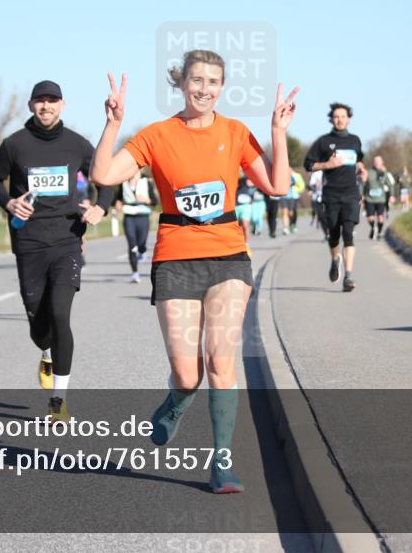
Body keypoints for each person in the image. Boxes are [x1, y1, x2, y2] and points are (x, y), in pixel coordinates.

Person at [91, 50, 297, 494]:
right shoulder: (156, 135)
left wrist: (278, 132)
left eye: (213, 82)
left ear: (222, 87)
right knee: (189, 373)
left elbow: (278, 186)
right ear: (181, 83)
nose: (204, 89)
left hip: (227, 257)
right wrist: (112, 123)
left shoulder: (236, 132)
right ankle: (178, 398)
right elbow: (104, 174)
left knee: (222, 361)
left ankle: (221, 463)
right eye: (196, 80)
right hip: (176, 259)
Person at [0, 80, 113, 422]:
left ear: (62, 105)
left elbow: (106, 177)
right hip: (28, 242)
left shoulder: (77, 145)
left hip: (67, 239)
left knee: (60, 313)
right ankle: (45, 351)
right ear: (31, 105)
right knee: (39, 324)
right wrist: (8, 202)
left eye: (52, 101)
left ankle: (59, 398)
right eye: (40, 101)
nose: (46, 107)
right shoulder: (14, 145)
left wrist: (103, 207)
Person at [304, 102, 367, 291]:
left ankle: (348, 276)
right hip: (331, 195)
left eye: (343, 116)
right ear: (331, 119)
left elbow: (359, 160)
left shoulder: (355, 140)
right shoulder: (323, 142)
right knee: (334, 234)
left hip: (351, 193)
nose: (340, 119)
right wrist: (326, 165)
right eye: (336, 116)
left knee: (348, 232)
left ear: (348, 119)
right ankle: (335, 259)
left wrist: (361, 170)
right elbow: (308, 164)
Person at [116, 170, 154, 283]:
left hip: (143, 216)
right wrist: (118, 203)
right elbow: (118, 199)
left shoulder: (146, 182)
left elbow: (155, 201)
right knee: (132, 244)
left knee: (141, 244)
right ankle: (135, 273)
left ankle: (142, 251)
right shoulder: (123, 183)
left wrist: (146, 200)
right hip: (129, 216)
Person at [364, 155, 395, 240]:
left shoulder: (384, 173)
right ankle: (373, 228)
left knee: (380, 217)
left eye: (379, 162)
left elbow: (390, 184)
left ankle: (380, 232)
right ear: (373, 163)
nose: (377, 163)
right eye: (376, 162)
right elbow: (363, 184)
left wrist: (392, 195)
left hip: (381, 199)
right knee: (370, 218)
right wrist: (361, 195)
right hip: (369, 198)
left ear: (382, 163)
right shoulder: (368, 172)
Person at [234, 174, 253, 245]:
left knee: (245, 225)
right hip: (236, 205)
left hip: (246, 206)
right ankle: (239, 242)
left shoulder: (247, 179)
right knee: (237, 226)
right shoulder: (233, 178)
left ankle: (246, 243)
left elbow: (252, 183)